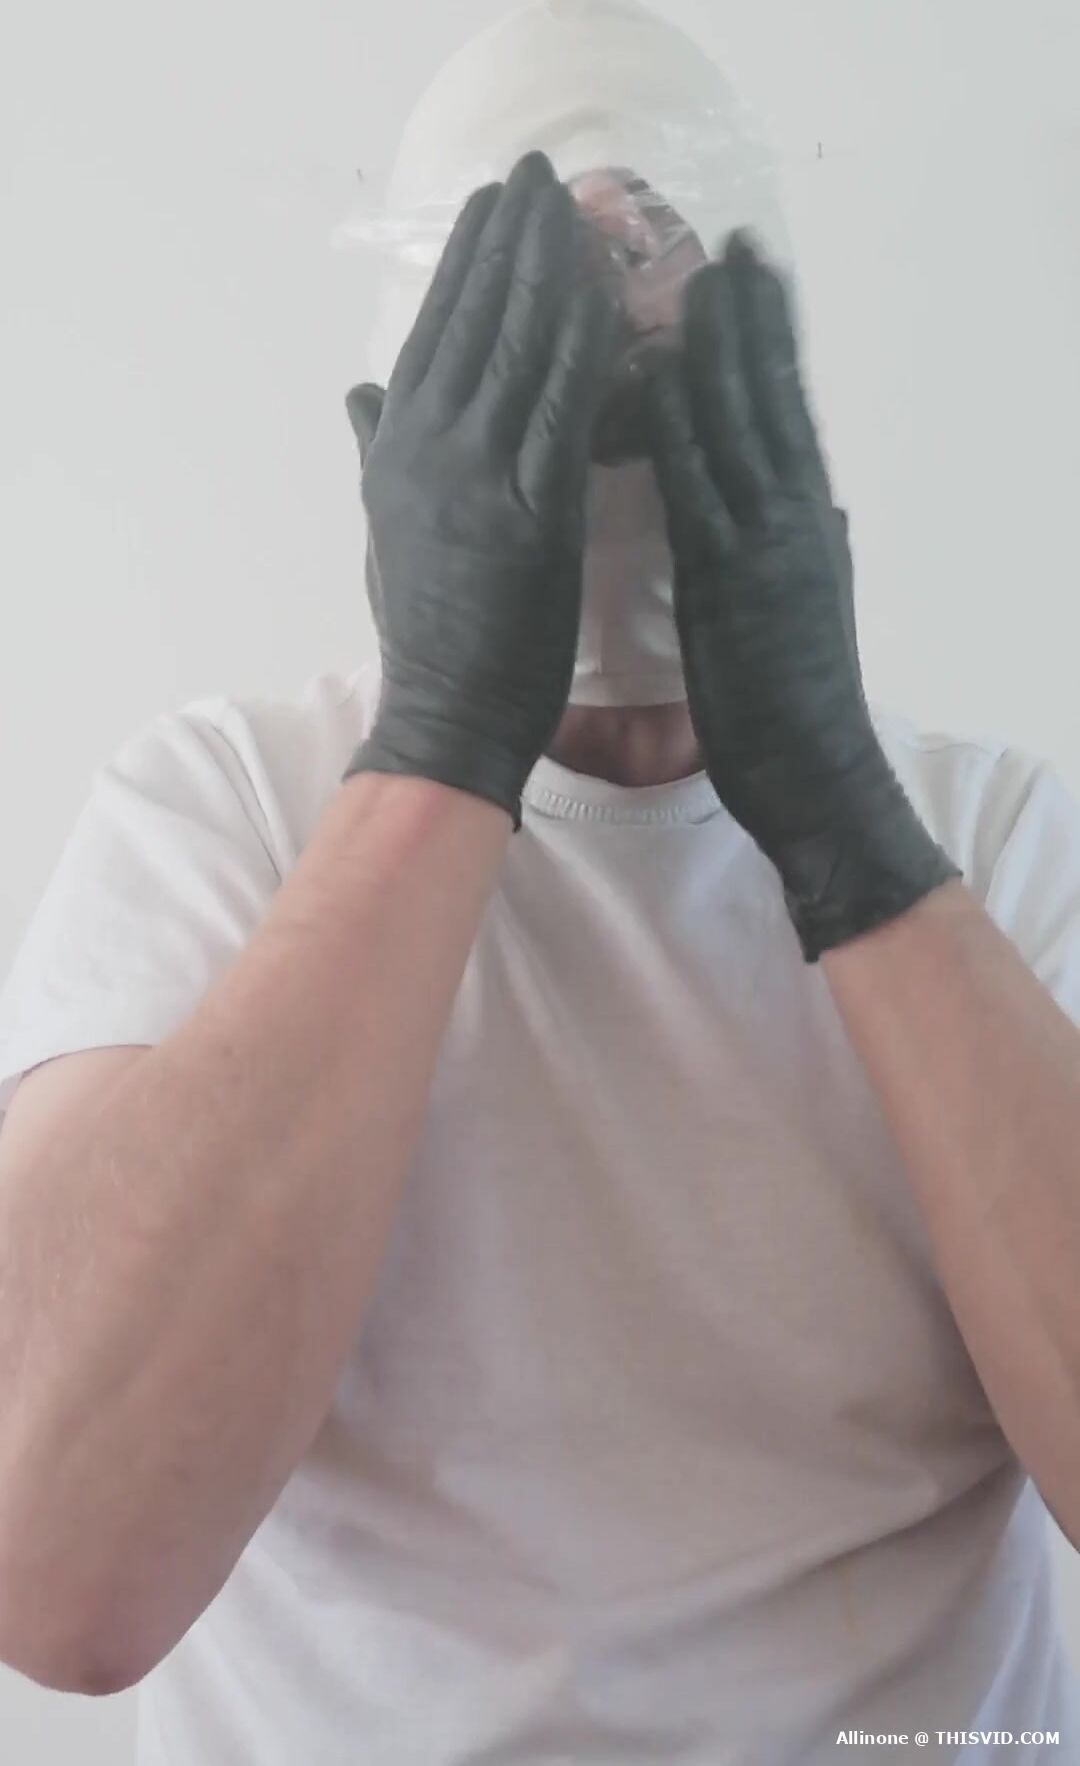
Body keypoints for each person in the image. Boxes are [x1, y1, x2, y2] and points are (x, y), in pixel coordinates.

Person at [1, 9, 1079, 1766]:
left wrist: (847, 829)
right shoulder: (225, 817)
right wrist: (439, 748)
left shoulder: (996, 836)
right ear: (399, 430)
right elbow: (57, 1565)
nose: (597, 416)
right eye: (532, 352)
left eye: (650, 359)